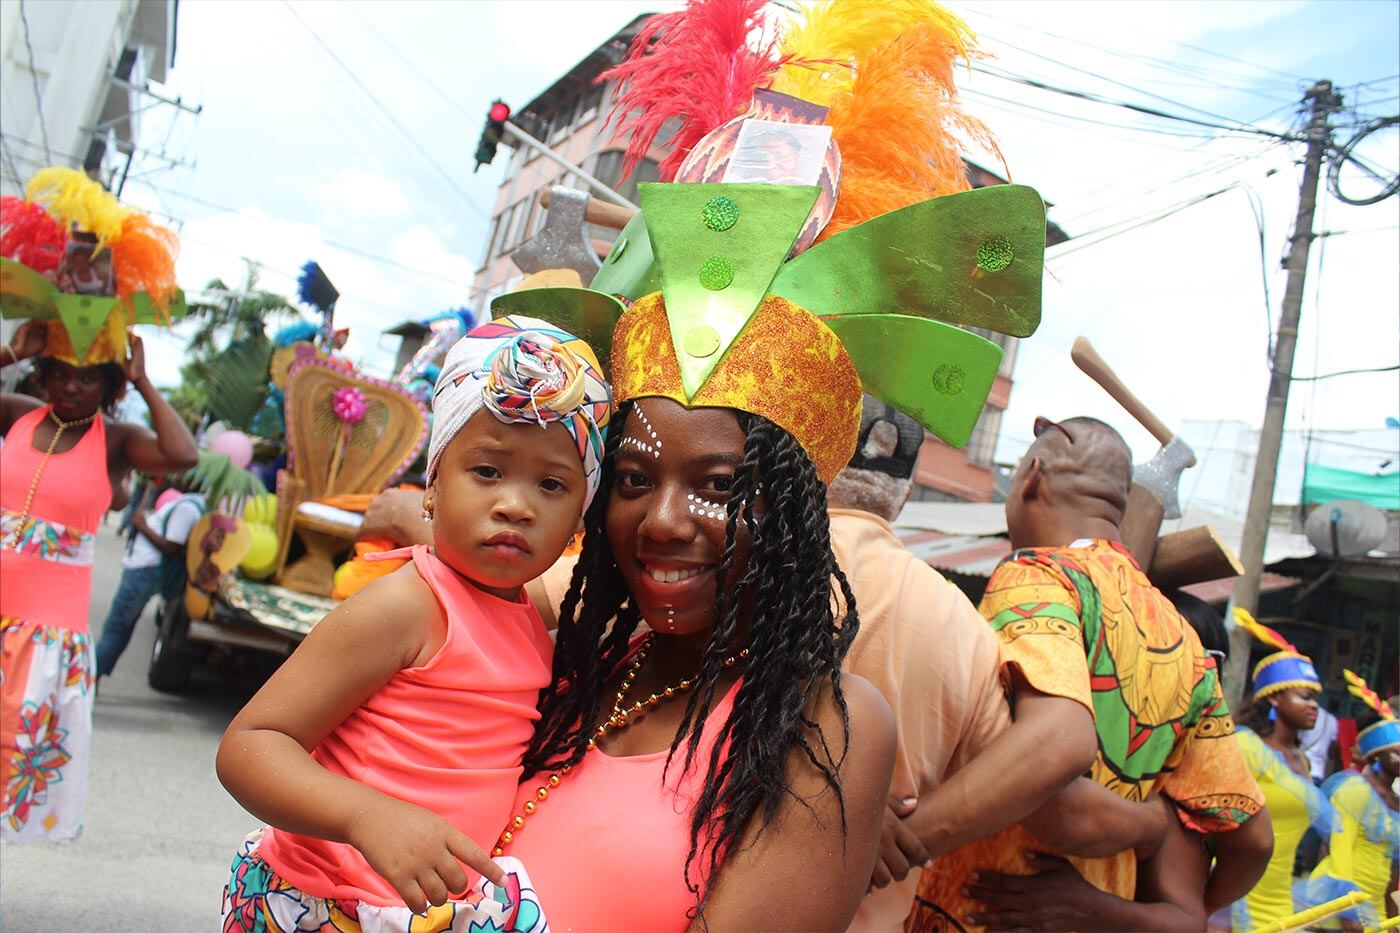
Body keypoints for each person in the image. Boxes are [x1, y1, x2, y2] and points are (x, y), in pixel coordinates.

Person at [216, 317, 611, 930]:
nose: (516, 503)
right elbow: (250, 747)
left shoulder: (528, 615)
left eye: (553, 484)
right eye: (486, 471)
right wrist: (365, 815)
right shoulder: (407, 606)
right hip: (329, 905)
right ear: (431, 488)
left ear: (578, 521)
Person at [911, 416, 1269, 932]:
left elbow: (1057, 744)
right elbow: (1253, 839)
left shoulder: (1038, 575)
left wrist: (907, 841)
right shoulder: (1184, 641)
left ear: (1031, 476)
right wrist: (1185, 901)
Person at [1, 169, 198, 844]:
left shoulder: (118, 442)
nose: (74, 386)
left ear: (109, 383)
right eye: (62, 372)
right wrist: (9, 350)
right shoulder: (16, 413)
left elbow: (184, 455)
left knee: (9, 773)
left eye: (91, 376)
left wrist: (145, 380)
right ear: (44, 373)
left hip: (46, 643)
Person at [1218, 611, 1336, 930]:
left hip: (1282, 904)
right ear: (1274, 698)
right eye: (1305, 697)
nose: (1314, 707)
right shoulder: (1246, 747)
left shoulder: (1304, 762)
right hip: (1232, 902)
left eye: (1317, 700)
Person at [1306, 672, 1400, 932]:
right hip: (1342, 904)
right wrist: (1348, 909)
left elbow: (1393, 870)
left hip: (1374, 909)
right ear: (1376, 756)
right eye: (1397, 753)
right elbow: (1337, 851)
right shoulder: (1354, 790)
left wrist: (1392, 919)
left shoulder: (1396, 802)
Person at [93, 482, 205, 678]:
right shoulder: (192, 504)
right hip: (144, 569)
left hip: (144, 570)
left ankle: (90, 677)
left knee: (116, 628)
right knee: (121, 629)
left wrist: (143, 526)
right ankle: (95, 675)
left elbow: (171, 546)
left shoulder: (187, 508)